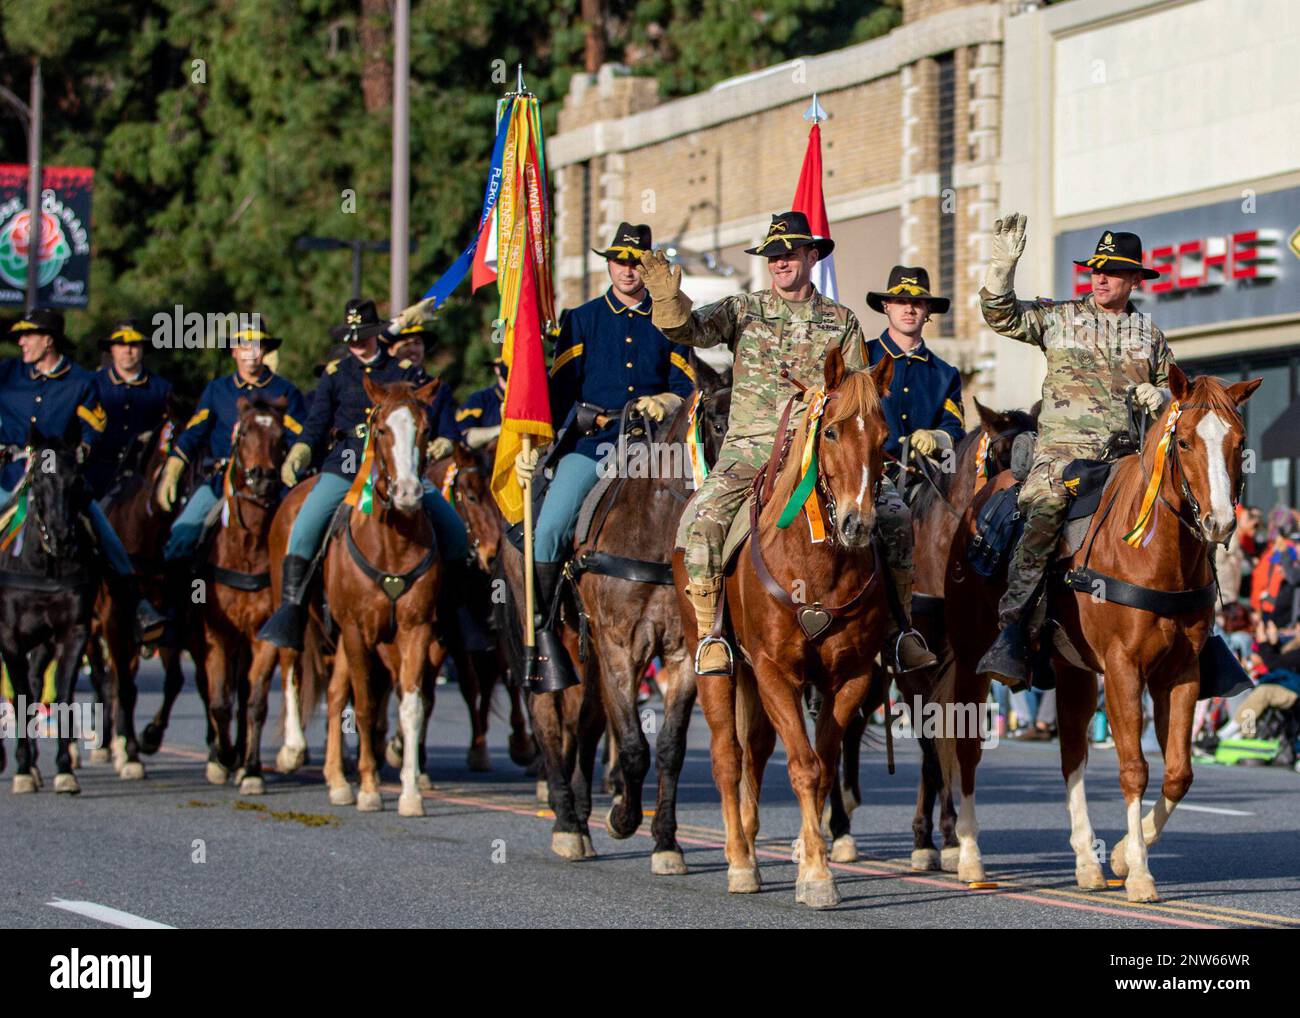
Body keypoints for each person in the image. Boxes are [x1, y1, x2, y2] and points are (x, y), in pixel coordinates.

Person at [641, 210, 936, 677]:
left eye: (789, 254)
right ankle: (712, 635)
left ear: (811, 256)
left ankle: (900, 631)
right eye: (772, 255)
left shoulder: (842, 321)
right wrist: (666, 297)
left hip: (823, 454)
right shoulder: (743, 309)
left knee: (896, 516)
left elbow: (860, 395)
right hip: (750, 449)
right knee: (702, 523)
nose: (779, 262)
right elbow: (687, 330)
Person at [976, 218, 1175, 689]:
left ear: (1133, 280)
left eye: (1112, 272)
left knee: (1183, 515)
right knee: (1044, 515)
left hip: (1125, 462)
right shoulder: (1060, 317)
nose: (1100, 277)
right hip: (1062, 458)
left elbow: (1176, 393)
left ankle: (1201, 635)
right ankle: (1014, 628)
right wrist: (1002, 269)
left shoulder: (1148, 334)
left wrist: (1162, 399)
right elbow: (1002, 316)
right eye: (1095, 270)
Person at [511, 222, 696, 683]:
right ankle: (547, 625)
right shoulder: (582, 319)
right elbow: (556, 393)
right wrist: (539, 439)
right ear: (608, 264)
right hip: (592, 444)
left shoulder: (670, 320)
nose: (627, 269)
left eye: (636, 261)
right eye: (619, 260)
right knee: (550, 527)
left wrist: (670, 401)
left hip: (653, 451)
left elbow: (687, 388)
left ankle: (712, 630)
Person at [258, 298, 469, 651]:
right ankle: (291, 612)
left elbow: (436, 403)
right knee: (305, 527)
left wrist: (445, 441)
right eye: (351, 337)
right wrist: (301, 449)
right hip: (345, 467)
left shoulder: (403, 370)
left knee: (454, 531)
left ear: (376, 335)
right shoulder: (335, 374)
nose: (358, 343)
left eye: (364, 336)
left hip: (400, 469)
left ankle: (457, 615)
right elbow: (315, 423)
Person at [0, 309, 166, 640]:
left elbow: (96, 428)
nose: (21, 342)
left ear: (48, 341)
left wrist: (79, 454)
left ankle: (137, 606)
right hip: (11, 476)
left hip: (59, 479)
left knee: (102, 530)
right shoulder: (8, 373)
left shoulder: (81, 382)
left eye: (28, 336)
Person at [157, 319, 306, 564]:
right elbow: (194, 433)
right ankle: (189, 598)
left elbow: (300, 438)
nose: (251, 354)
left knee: (301, 539)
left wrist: (291, 464)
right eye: (244, 346)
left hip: (273, 484)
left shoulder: (285, 391)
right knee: (181, 538)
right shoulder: (217, 390)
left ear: (265, 350)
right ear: (234, 351)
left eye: (256, 346)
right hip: (221, 480)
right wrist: (173, 469)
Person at [863, 265, 964, 464]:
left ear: (928, 310)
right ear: (886, 306)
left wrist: (937, 438)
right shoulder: (863, 357)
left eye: (917, 303)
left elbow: (956, 436)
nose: (909, 309)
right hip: (869, 477)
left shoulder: (945, 374)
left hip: (923, 483)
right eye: (901, 301)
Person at [88, 318, 173, 500]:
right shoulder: (92, 384)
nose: (128, 350)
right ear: (112, 349)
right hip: (96, 473)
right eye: (121, 344)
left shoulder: (160, 388)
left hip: (142, 478)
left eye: (134, 344)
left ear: (143, 348)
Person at [455, 357, 506, 451]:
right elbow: (465, 435)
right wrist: (502, 430)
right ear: (497, 369)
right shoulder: (480, 399)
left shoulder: (533, 398)